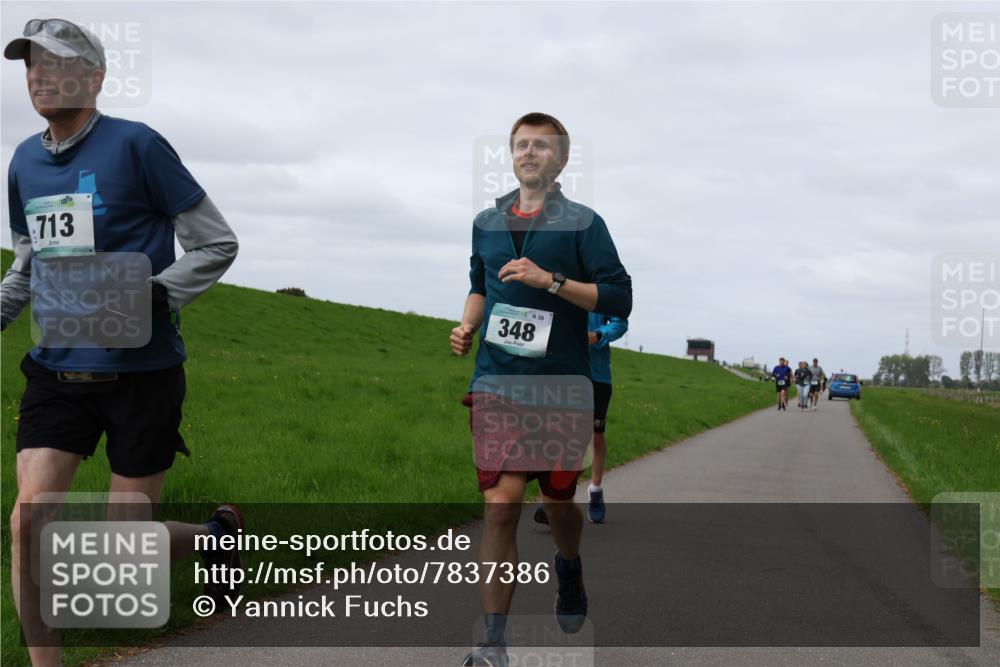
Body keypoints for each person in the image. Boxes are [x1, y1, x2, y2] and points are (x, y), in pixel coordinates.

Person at [2, 19, 241, 666]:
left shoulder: (138, 146)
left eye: (57, 65)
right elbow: (29, 260)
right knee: (27, 525)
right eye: (31, 66)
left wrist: (159, 293)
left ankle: (217, 537)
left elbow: (217, 242)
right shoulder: (22, 161)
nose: (40, 78)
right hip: (55, 370)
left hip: (141, 370)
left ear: (96, 77)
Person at [450, 113, 632, 666]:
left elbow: (618, 298)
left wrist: (550, 281)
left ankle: (569, 565)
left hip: (560, 386)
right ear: (511, 155)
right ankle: (493, 645)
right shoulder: (486, 220)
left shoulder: (584, 224)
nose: (529, 153)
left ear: (561, 159)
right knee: (501, 508)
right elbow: (479, 285)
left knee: (557, 505)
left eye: (541, 146)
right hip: (497, 383)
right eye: (521, 145)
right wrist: (467, 324)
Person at [535, 313, 627, 526]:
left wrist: (598, 334)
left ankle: (595, 490)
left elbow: (620, 323)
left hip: (597, 375)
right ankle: (557, 499)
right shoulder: (555, 282)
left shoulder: (601, 285)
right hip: (562, 371)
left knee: (594, 437)